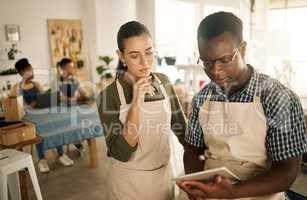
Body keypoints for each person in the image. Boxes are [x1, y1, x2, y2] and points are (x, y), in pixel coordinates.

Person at [178, 12, 307, 200]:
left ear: (243, 49)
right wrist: (196, 185)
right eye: (207, 62)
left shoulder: (278, 98)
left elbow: (287, 172)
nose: (215, 71)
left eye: (224, 60)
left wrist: (233, 192)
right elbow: (192, 150)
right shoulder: (202, 98)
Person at [96, 21, 187, 200]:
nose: (145, 62)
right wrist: (136, 102)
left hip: (163, 181)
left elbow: (183, 130)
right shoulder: (109, 96)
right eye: (134, 55)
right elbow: (122, 153)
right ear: (121, 56)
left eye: (149, 52)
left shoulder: (164, 82)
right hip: (128, 186)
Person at [10, 58, 74, 173]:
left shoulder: (37, 84)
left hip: (42, 114)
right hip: (29, 119)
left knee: (54, 125)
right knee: (38, 129)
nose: (32, 72)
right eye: (29, 70)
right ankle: (41, 159)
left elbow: (45, 99)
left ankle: (61, 154)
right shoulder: (16, 88)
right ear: (21, 73)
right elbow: (16, 108)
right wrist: (30, 105)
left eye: (32, 69)